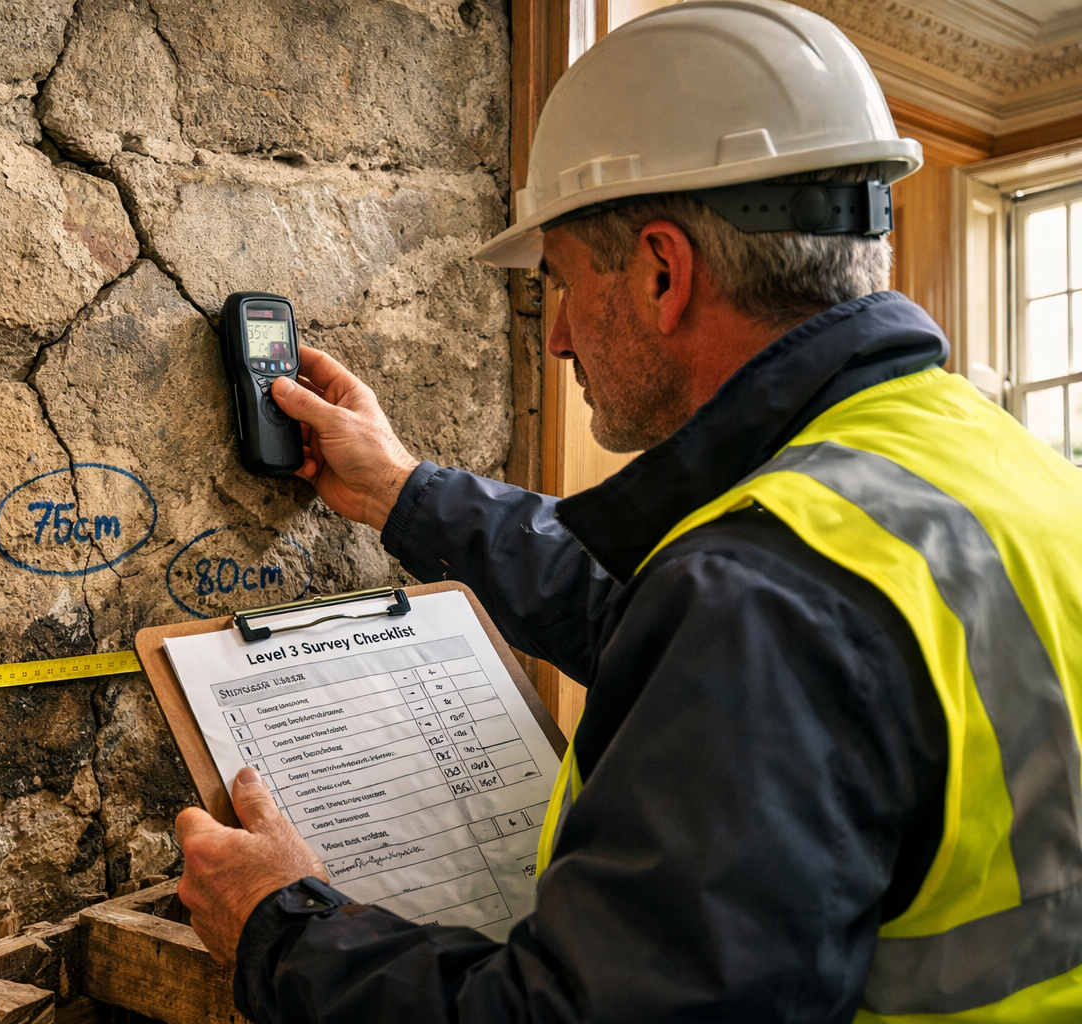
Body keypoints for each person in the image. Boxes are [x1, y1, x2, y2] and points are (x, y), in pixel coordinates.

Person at [173, 2, 1082, 1021]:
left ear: (662, 271)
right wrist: (401, 490)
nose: (557, 337)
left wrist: (282, 926)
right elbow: (646, 611)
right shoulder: (993, 468)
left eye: (561, 282)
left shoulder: (765, 590)